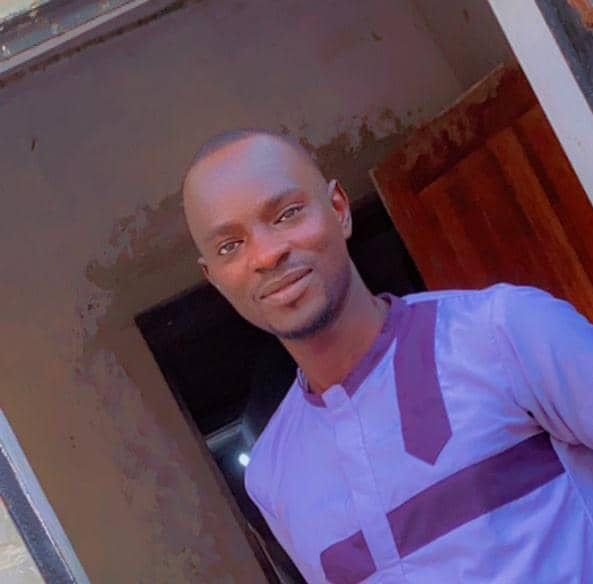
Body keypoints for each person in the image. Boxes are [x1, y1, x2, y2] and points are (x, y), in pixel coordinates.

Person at [182, 129, 593, 583]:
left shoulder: (503, 332)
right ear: (214, 278)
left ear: (338, 209)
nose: (266, 255)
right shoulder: (272, 474)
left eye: (287, 214)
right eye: (230, 246)